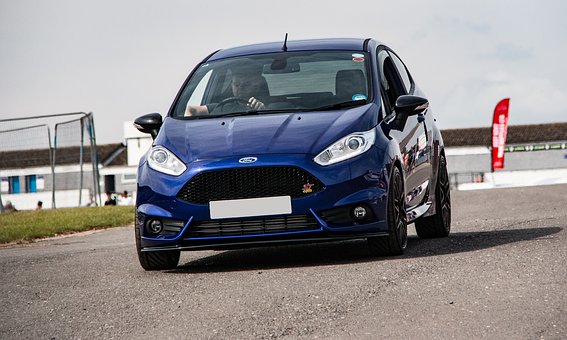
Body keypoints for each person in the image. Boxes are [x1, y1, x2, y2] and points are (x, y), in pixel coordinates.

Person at [185, 72, 267, 116]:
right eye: (236, 84)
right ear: (231, 85)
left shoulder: (274, 107)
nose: (241, 88)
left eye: (246, 85)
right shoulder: (222, 106)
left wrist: (263, 111)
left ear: (256, 87)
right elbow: (191, 110)